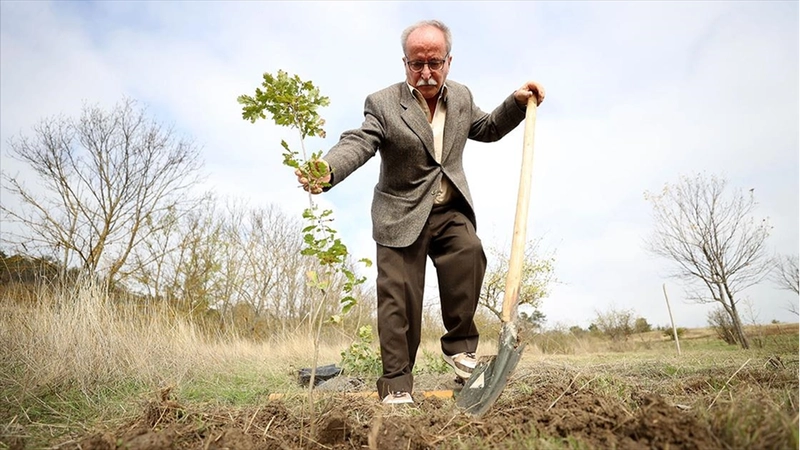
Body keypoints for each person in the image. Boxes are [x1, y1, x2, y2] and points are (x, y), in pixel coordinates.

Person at [295, 19, 545, 404]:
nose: (425, 72)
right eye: (416, 64)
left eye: (434, 62)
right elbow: (359, 142)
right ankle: (396, 387)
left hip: (448, 209)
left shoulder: (460, 97)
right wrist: (327, 170)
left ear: (448, 61)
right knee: (399, 300)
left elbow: (487, 127)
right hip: (400, 214)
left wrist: (515, 103)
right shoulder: (382, 103)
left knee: (469, 250)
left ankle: (460, 347)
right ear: (405, 63)